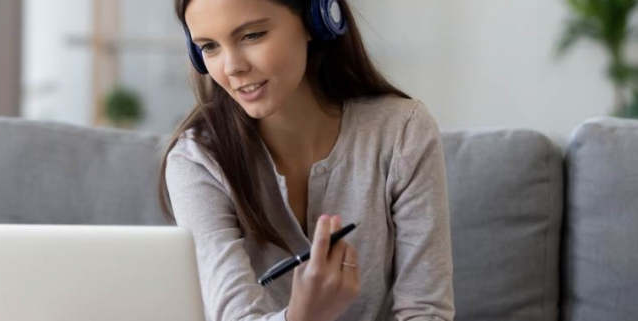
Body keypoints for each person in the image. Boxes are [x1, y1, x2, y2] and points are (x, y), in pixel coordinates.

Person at [158, 0, 454, 320]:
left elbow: (426, 310)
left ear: (317, 20)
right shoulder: (197, 160)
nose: (231, 67)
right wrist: (303, 315)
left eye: (252, 35)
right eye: (210, 46)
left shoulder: (402, 131)